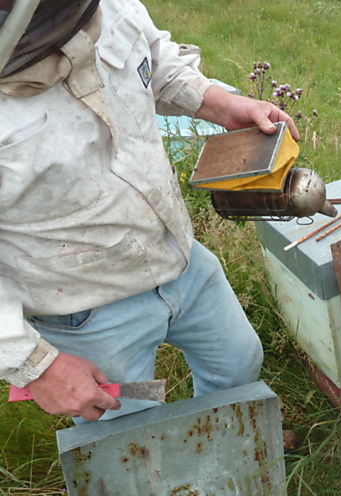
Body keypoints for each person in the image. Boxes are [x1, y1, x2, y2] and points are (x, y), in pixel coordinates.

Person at [0, 0, 299, 421]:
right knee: (127, 428)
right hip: (82, 307)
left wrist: (220, 104)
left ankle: (225, 439)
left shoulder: (108, 6)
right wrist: (37, 366)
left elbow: (154, 62)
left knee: (238, 363)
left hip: (180, 259)